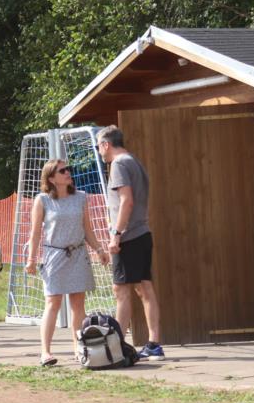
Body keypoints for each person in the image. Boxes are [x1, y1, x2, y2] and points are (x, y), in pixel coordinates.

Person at [25, 159, 110, 366]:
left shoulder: (80, 197)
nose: (68, 173)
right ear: (51, 178)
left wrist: (99, 249)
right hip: (54, 256)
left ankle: (78, 348)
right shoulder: (42, 200)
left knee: (78, 303)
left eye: (68, 169)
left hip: (78, 255)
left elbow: (87, 229)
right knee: (52, 302)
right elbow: (35, 233)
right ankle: (45, 352)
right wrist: (31, 260)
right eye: (63, 171)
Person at [97, 125, 164, 360]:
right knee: (144, 287)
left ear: (106, 144)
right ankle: (154, 343)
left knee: (121, 290)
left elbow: (126, 201)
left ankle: (118, 346)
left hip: (128, 237)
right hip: (142, 233)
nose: (100, 153)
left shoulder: (119, 164)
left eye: (99, 147)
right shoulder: (133, 160)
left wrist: (116, 234)